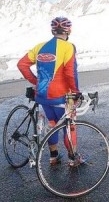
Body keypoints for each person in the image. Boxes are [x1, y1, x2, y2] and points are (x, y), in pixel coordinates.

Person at [17, 16, 83, 166]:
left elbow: (22, 65)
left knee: (51, 125)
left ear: (53, 30)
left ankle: (54, 156)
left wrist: (37, 82)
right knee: (69, 127)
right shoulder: (69, 47)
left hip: (42, 97)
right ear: (68, 31)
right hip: (63, 97)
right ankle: (73, 159)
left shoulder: (40, 46)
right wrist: (76, 92)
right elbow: (70, 73)